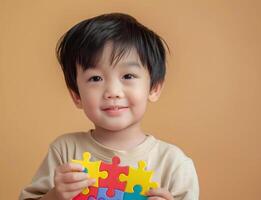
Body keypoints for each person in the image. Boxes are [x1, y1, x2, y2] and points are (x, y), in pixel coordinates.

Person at [19, 13, 199, 200]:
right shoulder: (64, 151)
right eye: (95, 78)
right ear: (76, 95)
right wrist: (55, 196)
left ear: (153, 88)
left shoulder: (174, 164)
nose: (113, 91)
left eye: (128, 76)